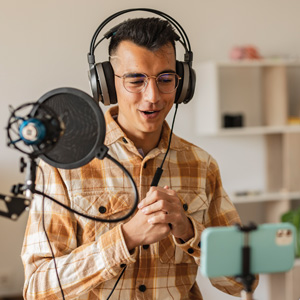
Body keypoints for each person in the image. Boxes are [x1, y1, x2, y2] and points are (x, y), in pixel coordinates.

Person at [21, 16, 256, 299]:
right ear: (106, 84)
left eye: (166, 79)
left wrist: (187, 230)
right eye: (136, 80)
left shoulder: (201, 165)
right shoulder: (63, 165)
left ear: (182, 85)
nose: (153, 96)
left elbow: (244, 280)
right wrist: (125, 239)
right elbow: (37, 288)